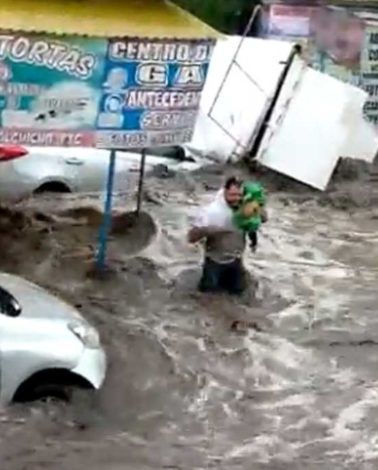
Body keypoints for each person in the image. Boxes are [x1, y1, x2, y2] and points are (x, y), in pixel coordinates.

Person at [188, 176, 266, 295]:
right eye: (232, 195)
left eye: (240, 195)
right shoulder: (212, 212)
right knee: (207, 296)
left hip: (236, 259)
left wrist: (253, 240)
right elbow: (191, 238)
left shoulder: (245, 207)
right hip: (214, 261)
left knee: (240, 293)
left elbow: (259, 221)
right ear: (224, 191)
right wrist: (210, 230)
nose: (236, 199)